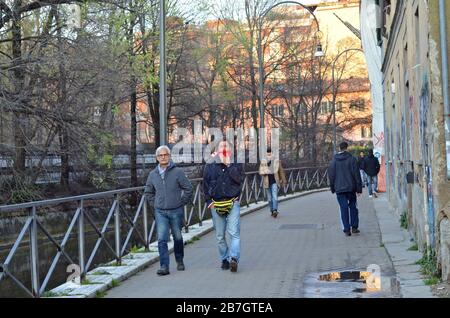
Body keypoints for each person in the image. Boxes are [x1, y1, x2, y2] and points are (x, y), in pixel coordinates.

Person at [144, 145, 193, 276]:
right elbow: (148, 192)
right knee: (162, 239)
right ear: (157, 158)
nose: (163, 157)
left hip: (176, 210)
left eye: (165, 155)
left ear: (169, 156)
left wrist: (181, 202)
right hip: (160, 212)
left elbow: (188, 188)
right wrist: (155, 204)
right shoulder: (152, 174)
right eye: (160, 155)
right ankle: (164, 266)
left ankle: (179, 260)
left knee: (177, 237)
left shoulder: (178, 172)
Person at [203, 140, 244, 272]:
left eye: (227, 146)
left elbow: (240, 180)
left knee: (234, 234)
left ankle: (234, 258)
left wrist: (229, 165)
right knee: (220, 236)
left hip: (232, 203)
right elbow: (205, 185)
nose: (224, 148)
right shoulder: (210, 166)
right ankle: (224, 258)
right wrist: (209, 202)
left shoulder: (236, 164)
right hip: (216, 204)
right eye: (222, 146)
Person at [328, 142, 363, 237]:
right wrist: (359, 189)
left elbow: (331, 175)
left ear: (339, 148)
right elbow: (357, 174)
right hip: (351, 188)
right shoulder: (352, 159)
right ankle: (354, 227)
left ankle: (347, 229)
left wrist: (332, 188)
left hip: (339, 188)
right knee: (353, 207)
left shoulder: (334, 161)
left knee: (343, 208)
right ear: (347, 148)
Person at [259, 147, 287, 218]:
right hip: (267, 182)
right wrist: (265, 172)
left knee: (275, 196)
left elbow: (281, 171)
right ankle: (272, 210)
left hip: (275, 181)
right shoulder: (263, 161)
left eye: (270, 153)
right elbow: (260, 172)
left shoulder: (276, 161)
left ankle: (275, 210)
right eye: (268, 154)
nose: (269, 155)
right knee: (269, 198)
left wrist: (284, 181)